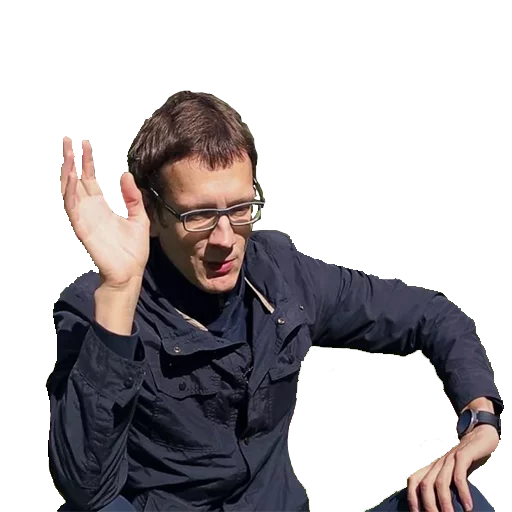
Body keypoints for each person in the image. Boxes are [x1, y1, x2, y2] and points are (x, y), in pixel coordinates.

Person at [47, 90, 503, 512]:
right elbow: (88, 490)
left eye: (240, 209)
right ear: (152, 212)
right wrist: (120, 291)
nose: (225, 238)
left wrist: (480, 419)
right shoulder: (96, 307)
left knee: (458, 502)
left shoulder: (281, 276)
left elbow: (431, 315)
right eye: (199, 215)